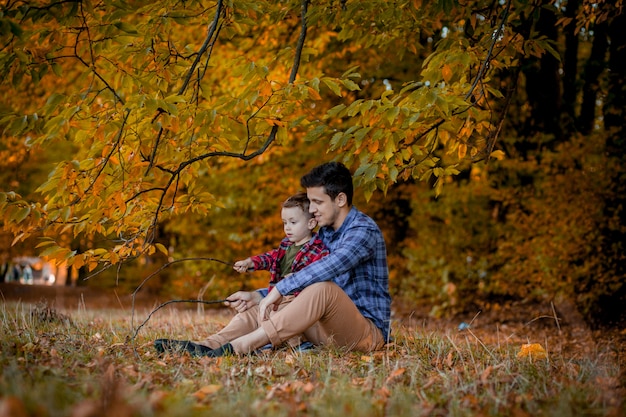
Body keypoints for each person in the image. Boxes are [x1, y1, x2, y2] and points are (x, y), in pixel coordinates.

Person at [154, 161, 391, 357]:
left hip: (364, 334)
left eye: (318, 202)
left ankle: (240, 347)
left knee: (323, 289)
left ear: (340, 199)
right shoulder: (325, 233)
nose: (313, 210)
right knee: (270, 302)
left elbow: (330, 267)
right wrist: (259, 296)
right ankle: (209, 346)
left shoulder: (362, 231)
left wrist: (278, 289)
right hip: (325, 329)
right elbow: (300, 284)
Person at [155, 192, 329, 355]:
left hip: (298, 304)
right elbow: (270, 257)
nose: (287, 228)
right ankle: (208, 345)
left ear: (311, 223)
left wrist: (297, 280)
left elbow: (319, 283)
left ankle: (299, 346)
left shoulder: (319, 250)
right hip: (278, 299)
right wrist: (250, 263)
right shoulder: (287, 245)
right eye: (284, 223)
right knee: (247, 315)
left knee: (275, 315)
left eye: (293, 222)